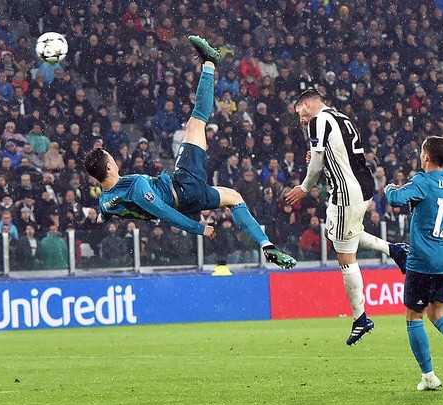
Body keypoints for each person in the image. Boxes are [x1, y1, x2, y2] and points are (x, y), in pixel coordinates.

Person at [83, 36, 297, 270]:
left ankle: (266, 245)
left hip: (187, 198)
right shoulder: (135, 187)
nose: (114, 159)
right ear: (109, 167)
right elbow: (164, 213)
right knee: (195, 124)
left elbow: (106, 212)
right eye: (111, 158)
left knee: (234, 198)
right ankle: (209, 63)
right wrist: (200, 229)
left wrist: (102, 217)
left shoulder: (105, 202)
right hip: (183, 187)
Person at [287, 89, 410, 346]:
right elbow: (341, 153)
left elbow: (319, 160)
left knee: (344, 255)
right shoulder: (340, 116)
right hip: (361, 187)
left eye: (299, 111)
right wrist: (319, 155)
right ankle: (394, 250)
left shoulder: (318, 120)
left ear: (307, 105)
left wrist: (304, 187)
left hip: (345, 192)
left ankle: (360, 317)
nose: (299, 117)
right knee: (334, 234)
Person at [385, 136, 443, 390]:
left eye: (421, 151)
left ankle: (428, 376)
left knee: (413, 316)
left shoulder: (423, 181)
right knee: (438, 314)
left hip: (423, 261)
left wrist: (389, 188)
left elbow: (396, 199)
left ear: (427, 157)